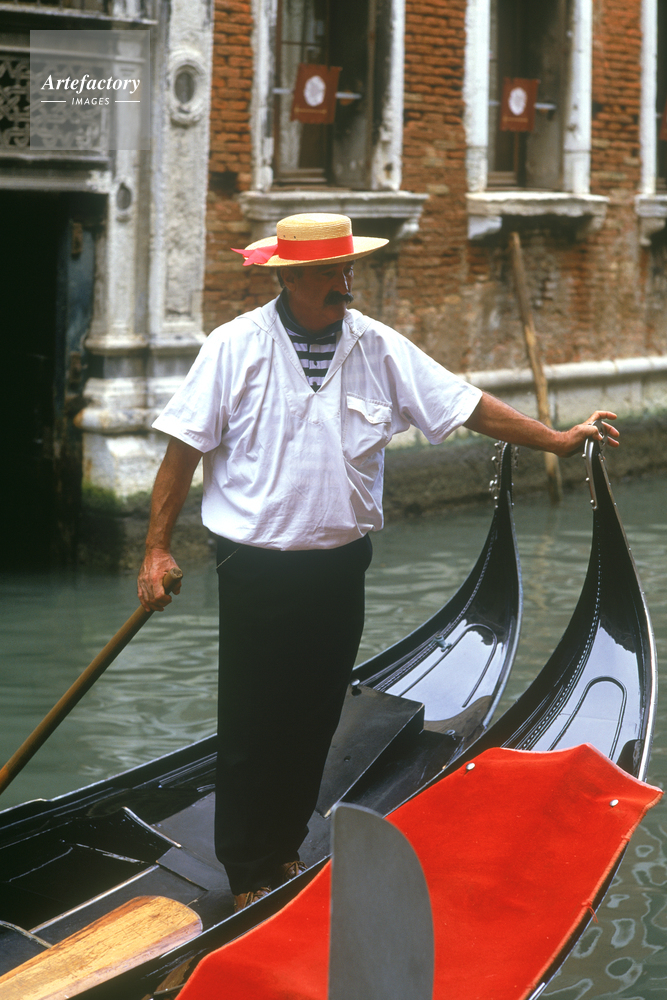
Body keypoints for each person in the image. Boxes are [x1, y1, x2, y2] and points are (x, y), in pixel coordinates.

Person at [138, 212, 619, 911]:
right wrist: (156, 548)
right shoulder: (232, 346)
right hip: (256, 567)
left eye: (347, 269)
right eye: (332, 272)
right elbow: (182, 451)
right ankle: (246, 870)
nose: (346, 282)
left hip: (340, 567)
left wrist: (556, 439)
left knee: (313, 716)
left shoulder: (375, 345)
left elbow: (465, 404)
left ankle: (283, 846)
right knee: (253, 723)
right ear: (292, 278)